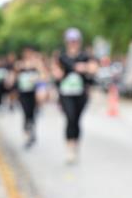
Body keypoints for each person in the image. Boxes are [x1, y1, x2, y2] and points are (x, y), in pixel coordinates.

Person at [51, 28, 98, 164]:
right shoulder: (62, 57)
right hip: (66, 93)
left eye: (75, 41)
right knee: (70, 117)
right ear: (67, 42)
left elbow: (94, 68)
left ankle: (75, 144)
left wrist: (83, 67)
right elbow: (55, 73)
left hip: (81, 94)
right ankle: (69, 148)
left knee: (77, 120)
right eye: (71, 41)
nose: (73, 44)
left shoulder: (85, 56)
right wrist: (60, 71)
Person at [14, 47, 48, 149]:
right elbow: (14, 77)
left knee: (33, 114)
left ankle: (31, 132)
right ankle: (27, 134)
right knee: (25, 113)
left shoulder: (37, 65)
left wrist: (36, 78)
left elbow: (44, 76)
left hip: (34, 92)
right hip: (23, 92)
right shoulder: (19, 65)